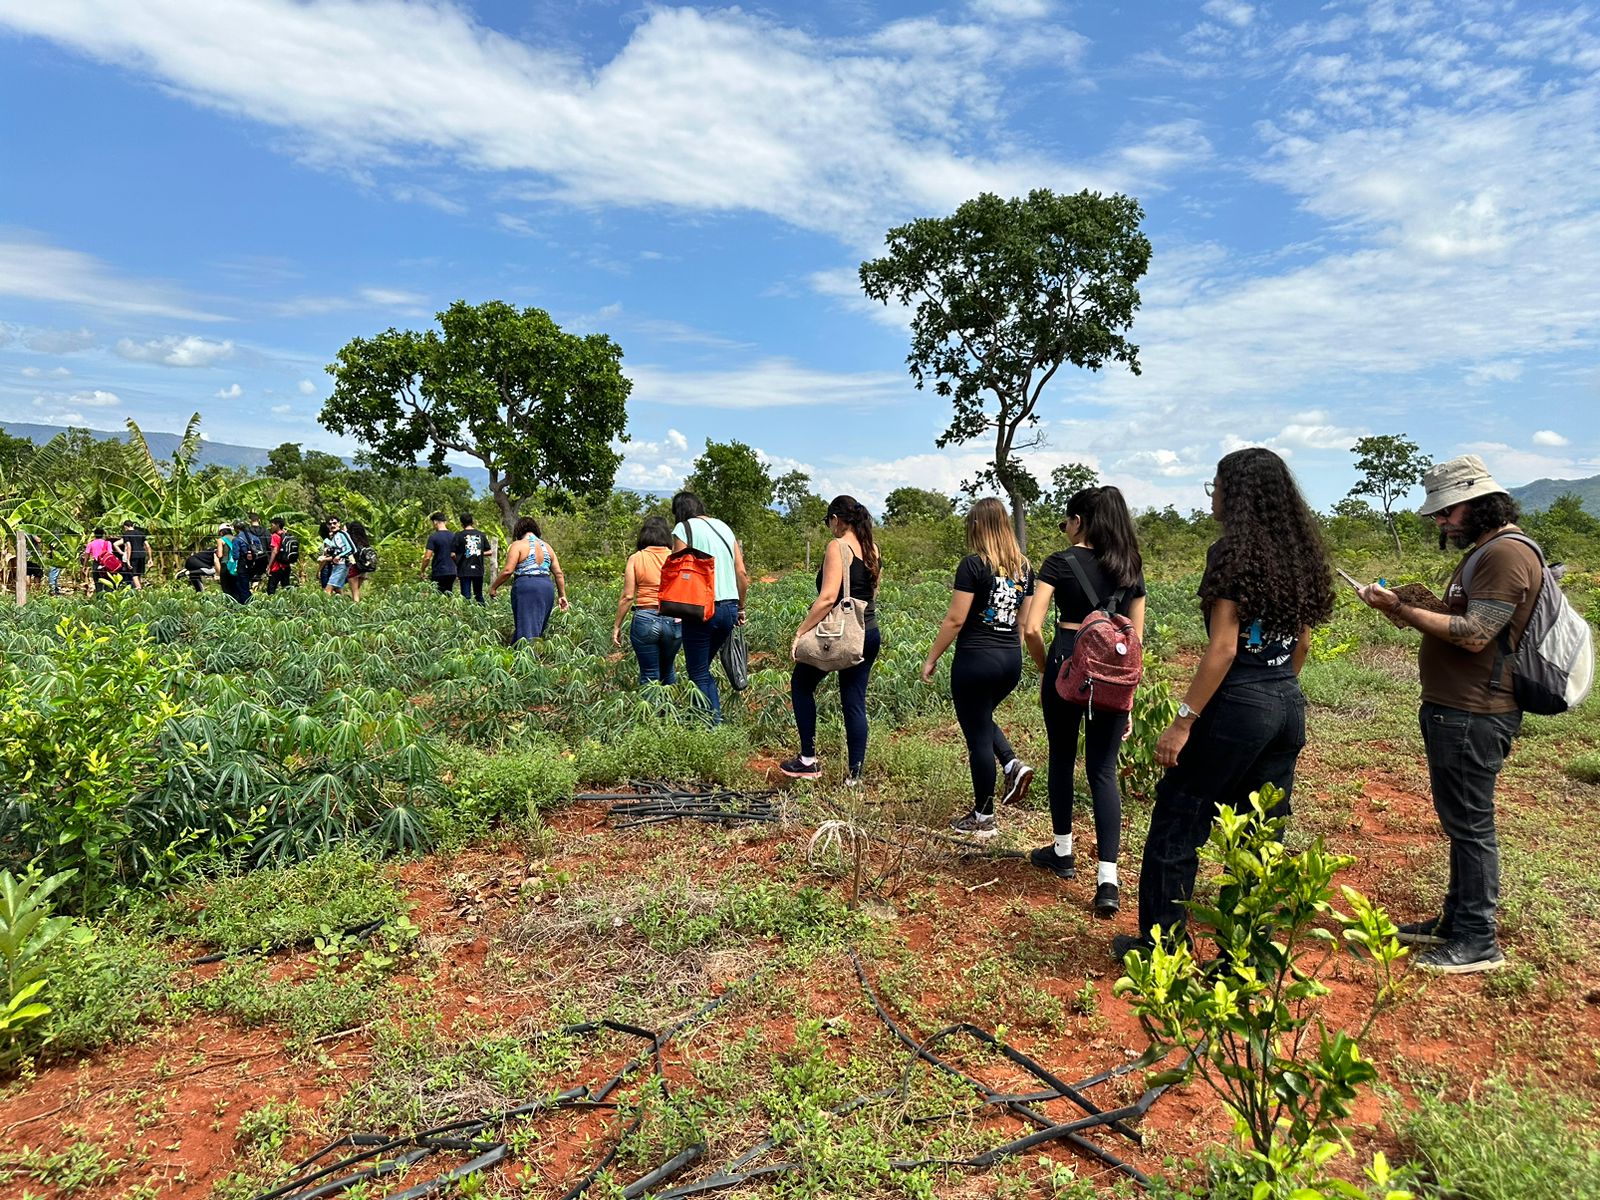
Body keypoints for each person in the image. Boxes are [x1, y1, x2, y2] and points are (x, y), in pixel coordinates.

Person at [1116, 448, 1333, 961]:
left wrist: (1183, 722)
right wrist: (1274, 690)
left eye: (1215, 486)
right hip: (1286, 698)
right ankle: (1246, 958)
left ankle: (1162, 950)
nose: (1212, 495)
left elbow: (1224, 648)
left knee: (1179, 818)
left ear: (1236, 495)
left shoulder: (1232, 553)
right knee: (1259, 832)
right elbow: (1301, 643)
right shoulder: (1299, 554)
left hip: (1238, 701)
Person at [1356, 455, 1543, 974]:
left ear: (1480, 503)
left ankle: (1478, 939)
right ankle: (1455, 921)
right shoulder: (1486, 551)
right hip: (1457, 708)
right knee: (1461, 822)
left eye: (1447, 512)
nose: (1441, 522)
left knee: (1470, 827)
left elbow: (1476, 633)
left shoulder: (1505, 554)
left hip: (1475, 711)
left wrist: (1398, 609)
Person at [1021, 486, 1146, 916]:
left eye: (1066, 521)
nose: (1066, 528)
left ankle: (1062, 851)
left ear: (1079, 520)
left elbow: (1033, 628)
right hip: (1115, 671)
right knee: (1103, 770)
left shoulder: (1060, 561)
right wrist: (1126, 695)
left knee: (1061, 758)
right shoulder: (1130, 566)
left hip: (1068, 659)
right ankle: (1108, 880)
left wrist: (1050, 670)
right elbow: (1137, 639)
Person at [922, 497, 1035, 838]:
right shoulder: (1026, 569)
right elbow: (1024, 622)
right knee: (982, 718)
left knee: (977, 738)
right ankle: (1012, 763)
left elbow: (956, 620)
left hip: (975, 659)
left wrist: (932, 657)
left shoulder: (973, 566)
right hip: (1010, 662)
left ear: (979, 527)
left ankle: (984, 817)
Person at [782, 495, 882, 784]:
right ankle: (854, 777)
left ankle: (808, 760)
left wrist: (801, 631)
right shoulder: (872, 548)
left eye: (829, 522)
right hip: (868, 631)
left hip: (839, 633)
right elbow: (872, 595)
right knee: (854, 700)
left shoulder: (837, 547)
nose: (829, 528)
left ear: (837, 520)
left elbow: (827, 598)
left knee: (801, 684)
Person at [670, 492, 749, 723]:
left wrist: (673, 608)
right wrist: (741, 608)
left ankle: (711, 724)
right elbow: (742, 573)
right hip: (729, 608)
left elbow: (678, 570)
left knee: (698, 671)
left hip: (700, 608)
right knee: (702, 667)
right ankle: (707, 718)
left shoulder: (683, 529)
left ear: (679, 511)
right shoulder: (724, 527)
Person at [613, 516, 681, 684]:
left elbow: (628, 596)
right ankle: (668, 709)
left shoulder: (636, 558)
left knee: (650, 673)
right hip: (673, 618)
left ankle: (651, 710)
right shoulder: (676, 557)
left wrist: (617, 626)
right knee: (668, 669)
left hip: (645, 618)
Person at [491, 517, 567, 642]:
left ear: (519, 531)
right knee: (536, 626)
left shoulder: (518, 545)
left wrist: (494, 587)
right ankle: (520, 652)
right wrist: (562, 595)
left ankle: (527, 656)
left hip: (526, 586)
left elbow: (508, 571)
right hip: (546, 587)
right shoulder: (547, 547)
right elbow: (558, 573)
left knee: (526, 628)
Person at [453, 514, 487, 604]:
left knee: (465, 596)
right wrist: (477, 552)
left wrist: (457, 562)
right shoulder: (481, 535)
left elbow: (452, 554)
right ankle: (482, 613)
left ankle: (466, 614)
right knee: (479, 595)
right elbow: (490, 551)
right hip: (478, 568)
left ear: (461, 524)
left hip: (464, 569)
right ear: (473, 522)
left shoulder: (458, 535)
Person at [421, 512, 457, 594]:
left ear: (435, 522)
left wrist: (422, 571)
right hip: (452, 572)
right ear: (445, 522)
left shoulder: (433, 537)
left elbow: (427, 557)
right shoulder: (454, 536)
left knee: (437, 596)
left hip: (439, 571)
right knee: (448, 596)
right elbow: (457, 554)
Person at [321, 517, 355, 595]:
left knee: (328, 589)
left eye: (334, 523)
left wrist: (340, 556)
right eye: (330, 524)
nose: (332, 525)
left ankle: (324, 606)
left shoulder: (342, 534)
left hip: (343, 564)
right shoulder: (333, 536)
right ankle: (343, 605)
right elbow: (336, 552)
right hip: (336, 565)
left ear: (339, 524)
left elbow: (352, 548)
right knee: (337, 589)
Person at [217, 523, 249, 603]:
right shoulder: (236, 538)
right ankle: (238, 603)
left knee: (226, 587)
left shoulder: (221, 540)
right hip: (236, 565)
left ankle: (229, 604)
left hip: (226, 565)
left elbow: (220, 555)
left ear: (221, 532)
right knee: (235, 586)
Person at [115, 520, 149, 590]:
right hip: (142, 555)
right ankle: (140, 589)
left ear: (125, 527)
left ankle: (139, 591)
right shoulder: (141, 533)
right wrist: (150, 558)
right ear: (133, 525)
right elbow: (147, 546)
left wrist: (128, 559)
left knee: (134, 575)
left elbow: (129, 546)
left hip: (133, 556)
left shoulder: (126, 534)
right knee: (139, 574)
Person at [265, 517, 295, 594]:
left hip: (277, 567)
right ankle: (291, 603)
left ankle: (271, 604)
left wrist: (269, 566)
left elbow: (274, 552)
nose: (271, 527)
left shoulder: (275, 536)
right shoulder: (286, 535)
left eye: (272, 525)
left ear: (277, 525)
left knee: (271, 589)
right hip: (286, 566)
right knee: (287, 587)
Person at [82, 527, 116, 593]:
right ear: (103, 534)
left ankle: (99, 598)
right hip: (106, 565)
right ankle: (108, 598)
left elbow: (86, 556)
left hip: (96, 563)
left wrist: (84, 566)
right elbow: (110, 554)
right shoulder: (108, 543)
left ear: (94, 534)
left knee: (97, 583)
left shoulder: (91, 544)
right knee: (108, 582)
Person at [346, 521, 373, 602]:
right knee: (357, 590)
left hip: (355, 569)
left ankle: (356, 608)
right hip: (364, 568)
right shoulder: (365, 541)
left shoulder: (351, 541)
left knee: (355, 593)